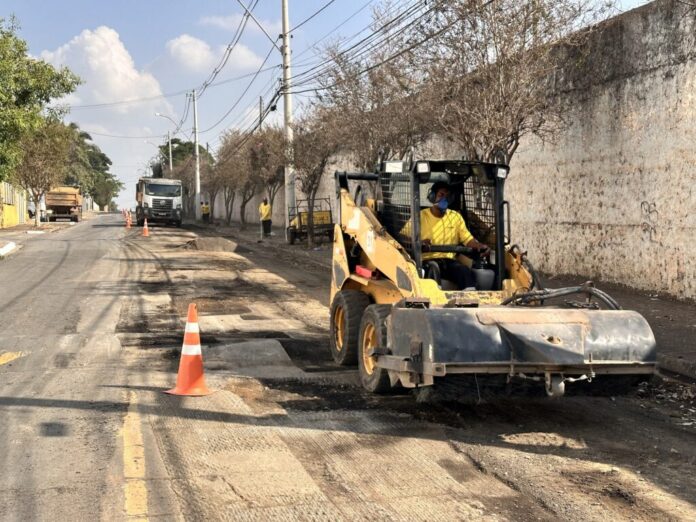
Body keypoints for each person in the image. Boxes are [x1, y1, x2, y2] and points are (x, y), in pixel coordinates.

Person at [405, 181, 489, 289]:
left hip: (449, 261)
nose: (444, 199)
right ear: (432, 196)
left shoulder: (455, 217)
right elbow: (403, 236)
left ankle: (470, 299)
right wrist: (418, 243)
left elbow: (468, 240)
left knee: (464, 271)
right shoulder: (419, 216)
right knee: (433, 268)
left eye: (447, 196)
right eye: (441, 195)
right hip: (427, 260)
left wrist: (479, 246)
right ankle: (436, 299)